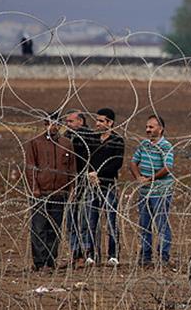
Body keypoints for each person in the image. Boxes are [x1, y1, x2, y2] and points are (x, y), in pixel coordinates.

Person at [24, 112, 76, 271]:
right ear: (45, 124)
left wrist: (71, 188)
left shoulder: (66, 144)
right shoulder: (35, 143)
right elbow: (30, 167)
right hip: (41, 192)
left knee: (54, 228)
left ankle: (50, 261)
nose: (54, 127)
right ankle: (40, 263)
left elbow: (71, 168)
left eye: (57, 124)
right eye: (51, 124)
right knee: (39, 228)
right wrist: (34, 188)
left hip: (59, 193)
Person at [130, 115, 175, 267]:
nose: (148, 130)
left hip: (160, 192)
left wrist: (149, 179)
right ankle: (146, 257)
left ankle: (163, 257)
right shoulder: (144, 145)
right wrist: (138, 177)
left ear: (160, 129)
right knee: (144, 225)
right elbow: (133, 163)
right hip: (144, 192)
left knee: (161, 225)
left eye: (151, 127)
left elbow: (167, 167)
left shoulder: (166, 146)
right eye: (147, 127)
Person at [84, 108, 125, 267]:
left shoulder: (117, 140)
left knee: (111, 222)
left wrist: (99, 175)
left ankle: (113, 255)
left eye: (101, 121)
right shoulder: (93, 139)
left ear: (110, 122)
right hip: (92, 185)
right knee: (92, 221)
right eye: (97, 120)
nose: (97, 123)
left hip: (108, 184)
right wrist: (90, 174)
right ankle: (92, 255)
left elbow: (117, 162)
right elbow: (86, 158)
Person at [64, 110, 99, 268]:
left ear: (80, 121)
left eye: (71, 121)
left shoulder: (90, 137)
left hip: (86, 182)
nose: (68, 124)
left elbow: (95, 158)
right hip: (71, 182)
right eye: (66, 121)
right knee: (72, 219)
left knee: (85, 219)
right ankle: (74, 253)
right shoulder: (66, 137)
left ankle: (85, 253)